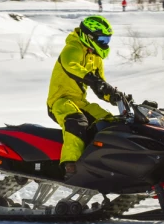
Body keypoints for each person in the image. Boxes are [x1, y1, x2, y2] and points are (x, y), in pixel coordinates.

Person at [46, 16, 119, 179]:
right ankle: (70, 166)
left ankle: (105, 163)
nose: (105, 44)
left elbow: (100, 86)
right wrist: (93, 79)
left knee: (110, 122)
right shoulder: (73, 48)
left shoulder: (96, 58)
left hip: (80, 102)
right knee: (77, 121)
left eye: (107, 40)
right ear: (89, 36)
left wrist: (114, 96)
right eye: (102, 39)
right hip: (60, 101)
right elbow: (71, 66)